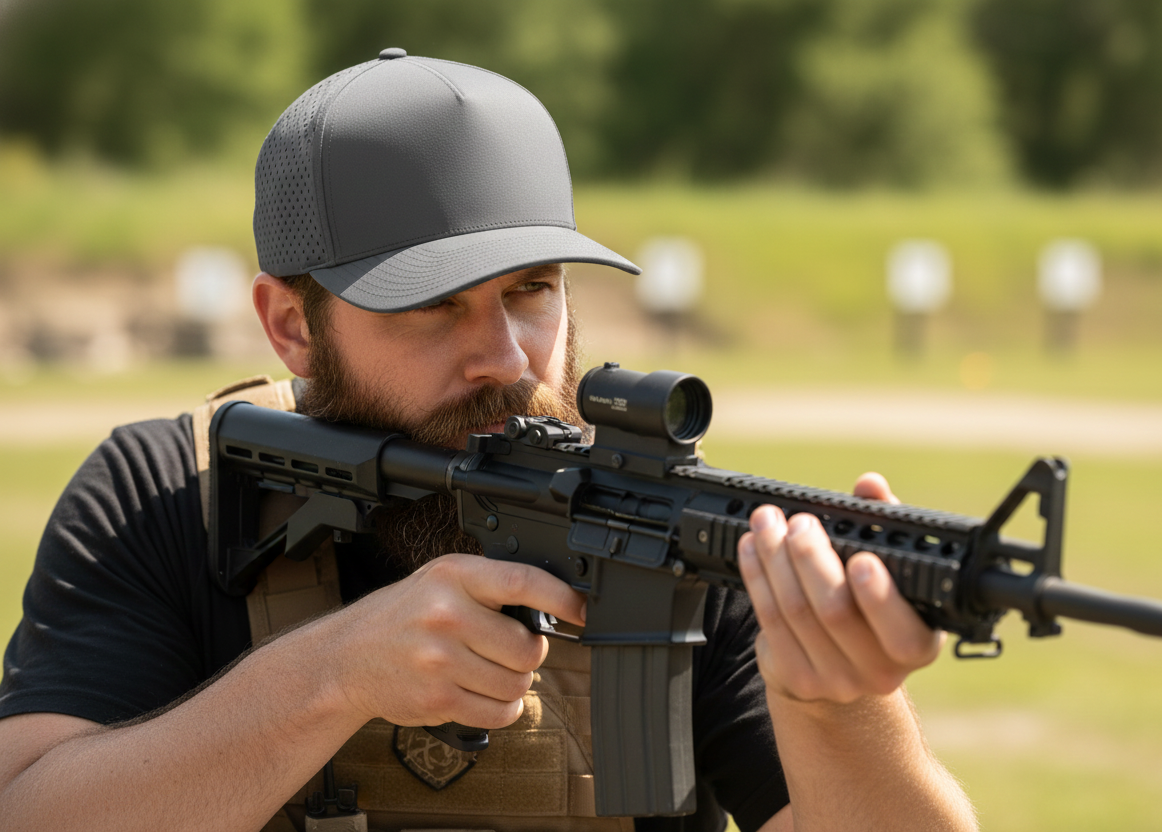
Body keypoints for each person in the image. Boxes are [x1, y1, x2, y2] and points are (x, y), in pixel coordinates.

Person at [0, 50, 976, 832]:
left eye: (531, 289)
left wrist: (842, 706)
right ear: (292, 325)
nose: (506, 358)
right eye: (432, 305)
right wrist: (332, 675)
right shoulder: (172, 496)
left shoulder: (668, 529)